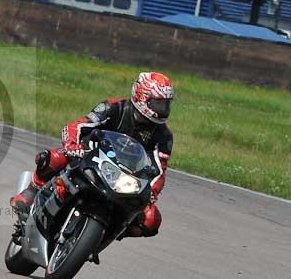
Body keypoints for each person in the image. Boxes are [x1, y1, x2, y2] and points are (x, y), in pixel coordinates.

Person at [10, 71, 174, 238]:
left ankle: (106, 234)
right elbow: (78, 126)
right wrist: (72, 145)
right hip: (91, 157)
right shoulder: (114, 107)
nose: (163, 109)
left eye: (166, 104)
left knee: (151, 219)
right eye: (158, 103)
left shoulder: (164, 136)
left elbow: (159, 169)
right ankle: (32, 191)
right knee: (54, 157)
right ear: (141, 96)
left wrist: (151, 193)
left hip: (125, 179)